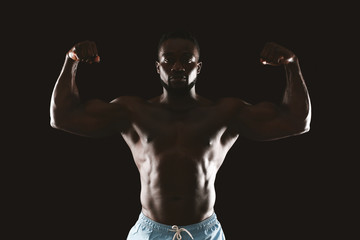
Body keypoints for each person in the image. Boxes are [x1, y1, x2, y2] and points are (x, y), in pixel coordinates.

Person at [50, 31, 311, 240]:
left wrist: (291, 64)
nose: (177, 66)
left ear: (199, 67)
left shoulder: (224, 113)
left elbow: (296, 122)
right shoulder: (133, 111)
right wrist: (70, 60)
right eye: (169, 59)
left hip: (203, 233)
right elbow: (62, 118)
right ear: (157, 67)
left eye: (187, 59)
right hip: (150, 233)